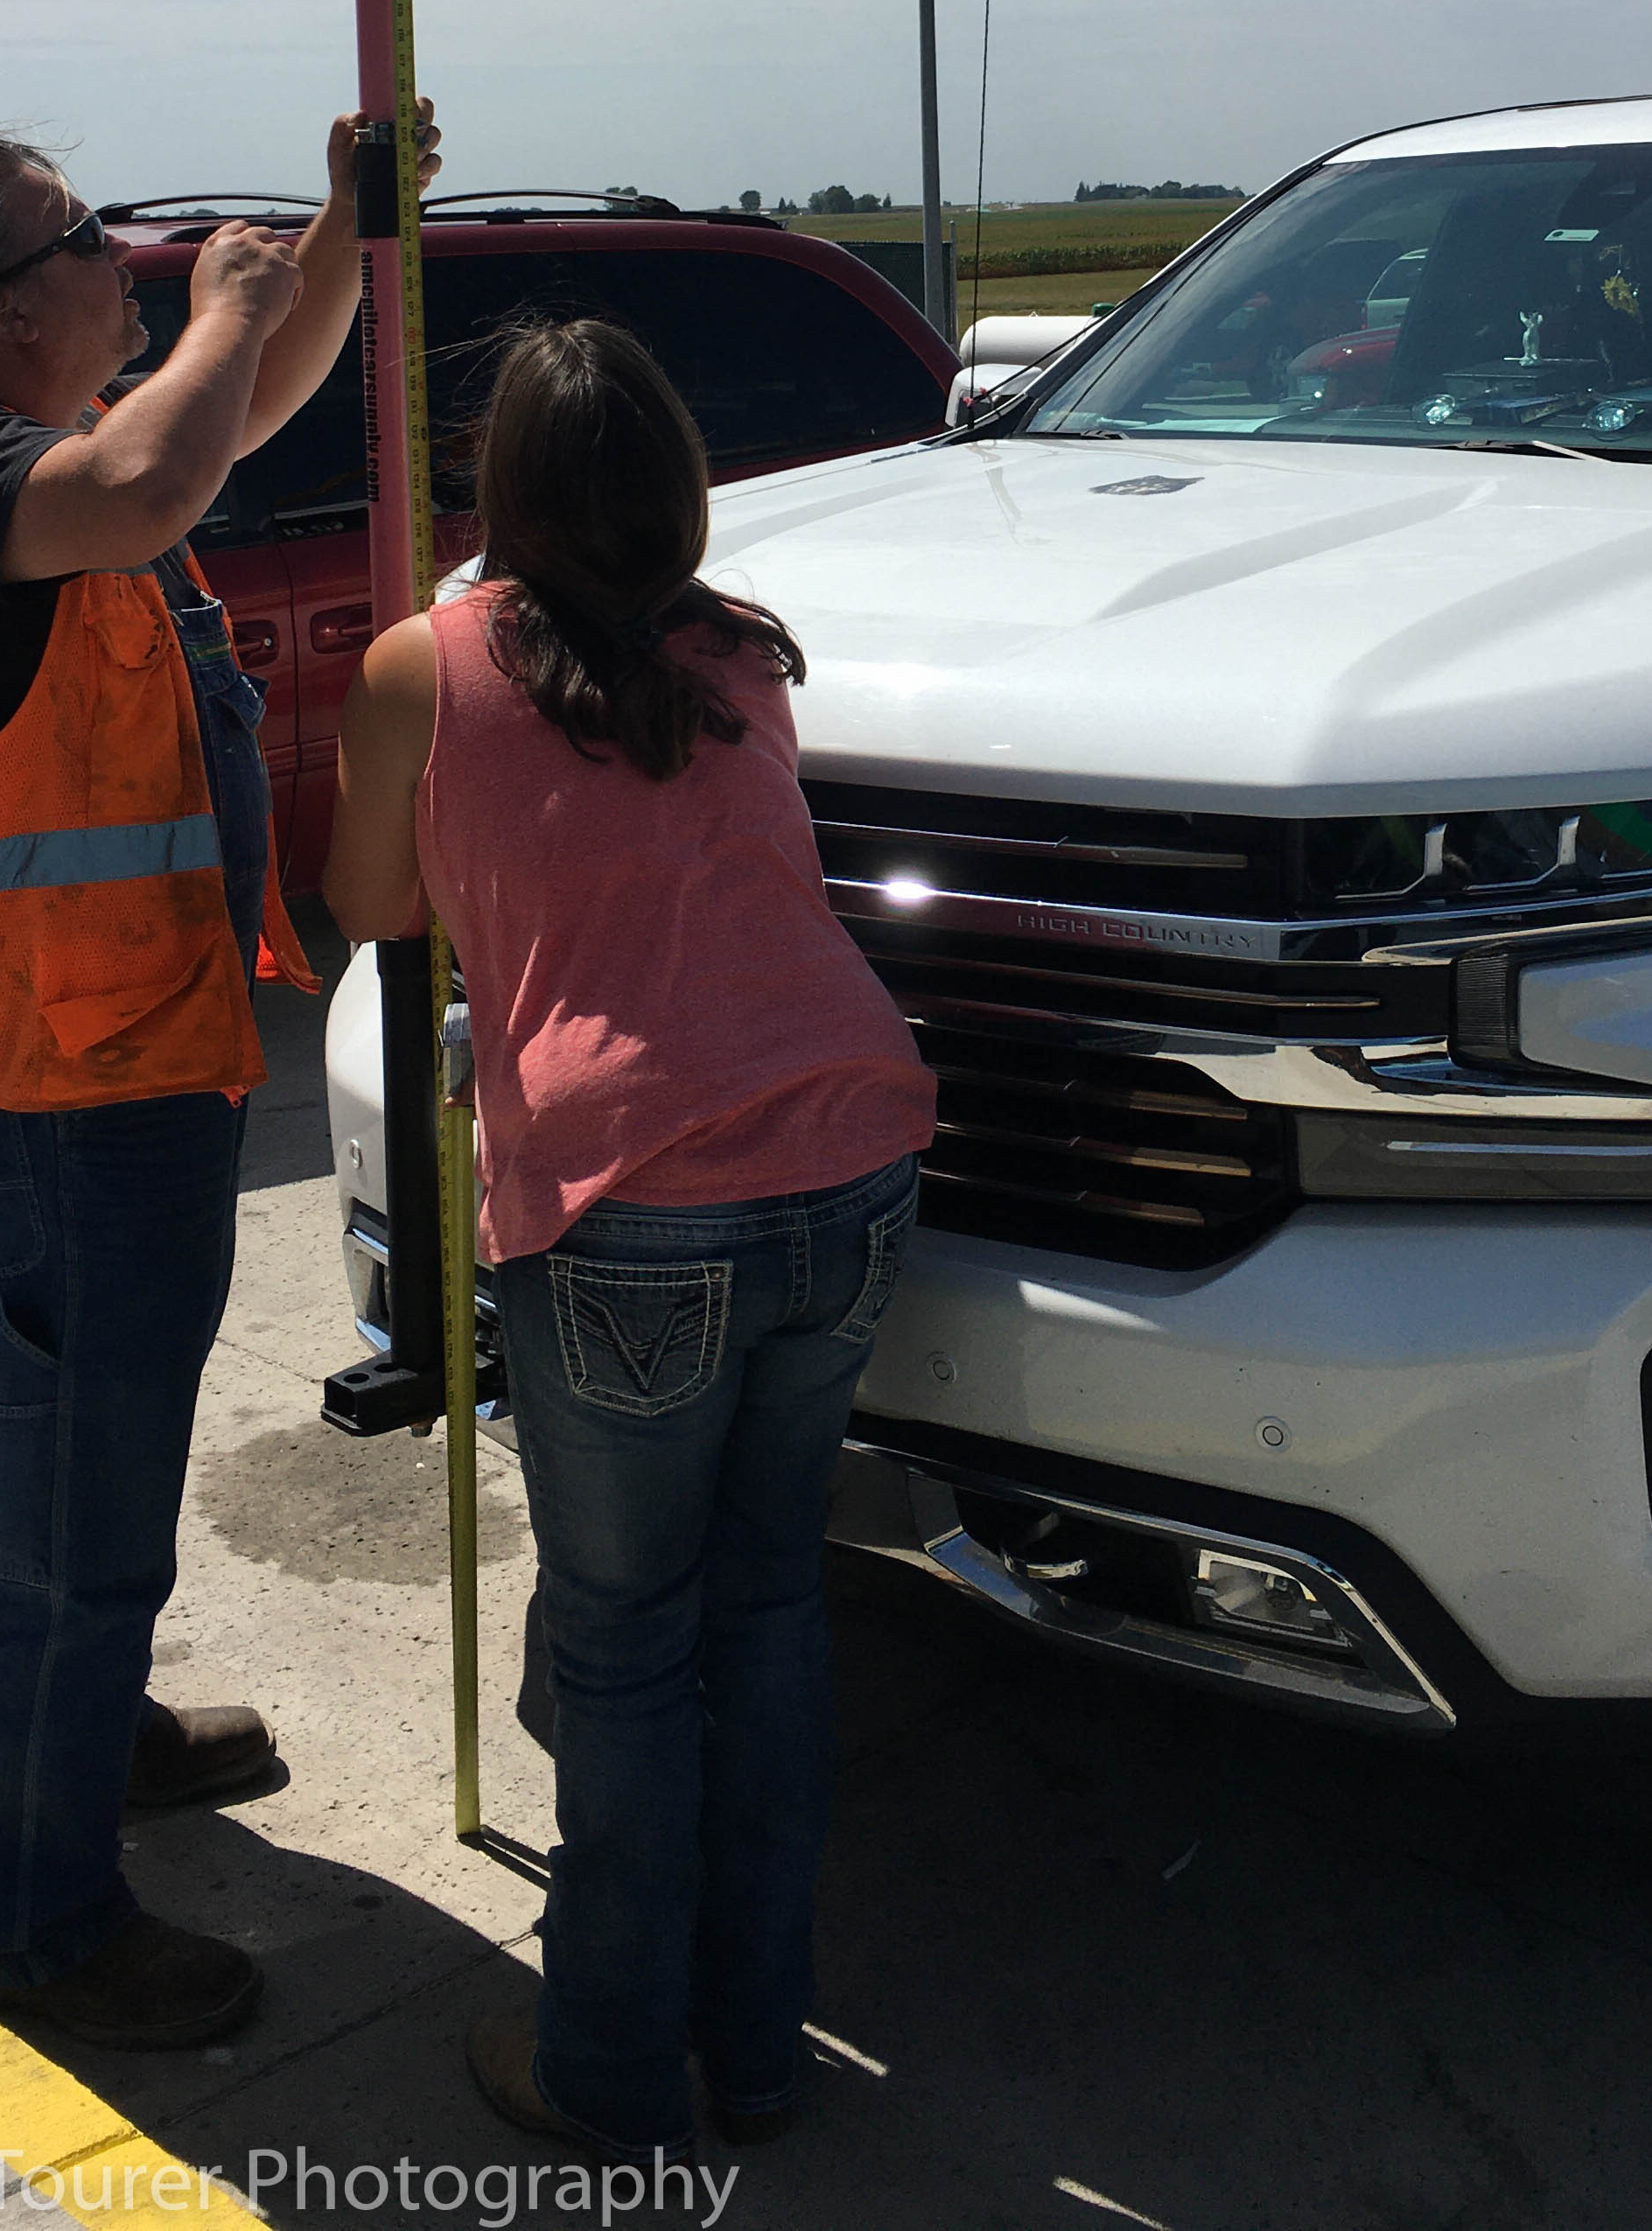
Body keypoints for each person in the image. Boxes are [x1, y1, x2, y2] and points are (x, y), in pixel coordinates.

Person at [0, 101, 438, 2050]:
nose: (122, 263)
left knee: (49, 1471)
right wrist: (227, 305)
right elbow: (176, 469)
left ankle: (85, 1730)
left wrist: (333, 239)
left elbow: (227, 426)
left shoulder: (40, 466)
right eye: (79, 243)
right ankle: (27, 1917)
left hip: (82, 1073)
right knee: (54, 1512)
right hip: (38, 1097)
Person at [323, 317, 935, 2160]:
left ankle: (603, 2064)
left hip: (625, 1211)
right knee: (764, 1614)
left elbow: (370, 900)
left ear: (497, 491)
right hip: (851, 1162)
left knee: (625, 1643)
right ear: (676, 488)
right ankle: (752, 2046)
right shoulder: (742, 656)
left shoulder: (422, 668)